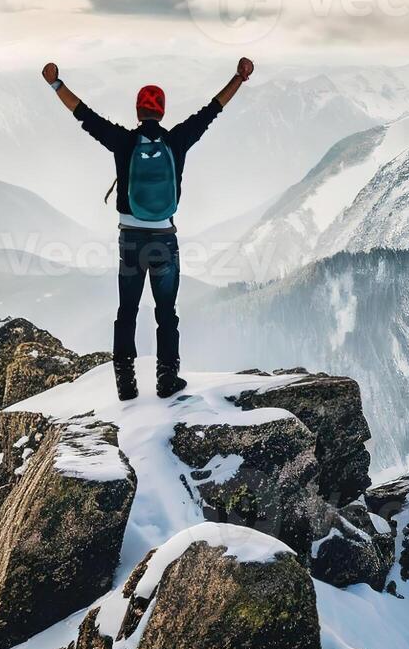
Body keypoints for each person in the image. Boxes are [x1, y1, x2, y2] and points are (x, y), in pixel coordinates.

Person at [42, 57, 253, 400]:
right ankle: (167, 379)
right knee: (166, 312)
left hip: (131, 240)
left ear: (138, 111)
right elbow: (212, 110)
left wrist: (55, 83)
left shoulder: (123, 142)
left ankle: (126, 384)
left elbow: (84, 115)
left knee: (127, 311)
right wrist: (239, 78)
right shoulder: (177, 140)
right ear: (162, 112)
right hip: (164, 241)